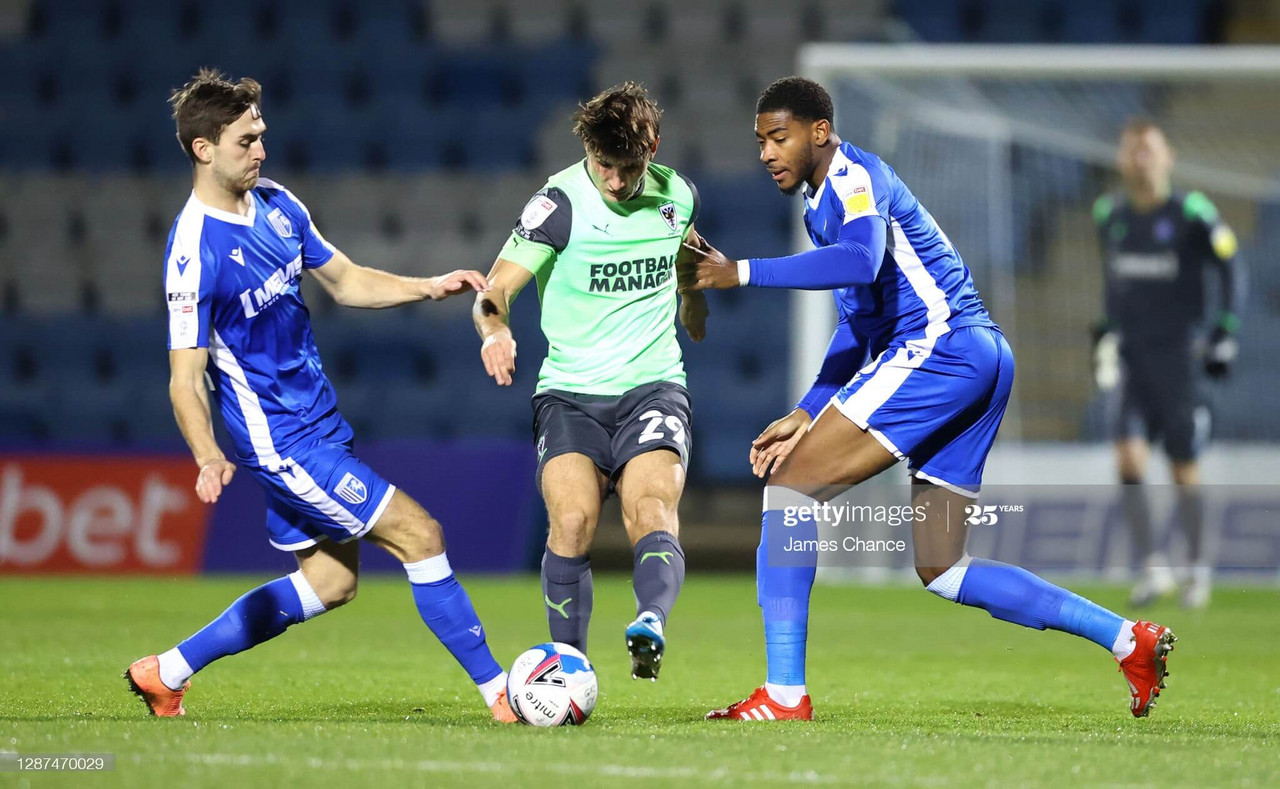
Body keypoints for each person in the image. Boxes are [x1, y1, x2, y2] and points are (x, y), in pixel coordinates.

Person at [685, 77, 1175, 721]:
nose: (767, 153)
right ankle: (1126, 639)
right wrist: (807, 411)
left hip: (940, 348)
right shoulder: (822, 205)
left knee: (789, 487)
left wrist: (741, 270)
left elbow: (860, 261)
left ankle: (782, 694)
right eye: (760, 142)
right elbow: (860, 322)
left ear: (820, 132)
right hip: (978, 356)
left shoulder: (854, 179)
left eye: (779, 137)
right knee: (942, 567)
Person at [124, 69, 516, 722]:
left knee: (331, 583)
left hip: (320, 423)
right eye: (247, 140)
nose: (261, 150)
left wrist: (429, 285)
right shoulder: (194, 253)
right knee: (421, 534)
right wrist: (205, 454)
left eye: (262, 135)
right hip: (281, 442)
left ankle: (165, 671)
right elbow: (184, 375)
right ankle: (503, 693)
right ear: (203, 148)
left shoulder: (279, 203)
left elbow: (347, 281)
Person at [472, 82, 706, 681]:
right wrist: (494, 332)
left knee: (650, 506)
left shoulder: (678, 194)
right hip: (571, 395)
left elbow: (688, 254)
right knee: (572, 521)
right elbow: (494, 291)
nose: (616, 182)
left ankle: (650, 621)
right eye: (604, 165)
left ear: (652, 146)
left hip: (654, 386)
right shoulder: (559, 203)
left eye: (628, 167)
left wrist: (693, 302)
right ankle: (570, 666)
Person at [1091, 119, 1242, 609]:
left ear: (1168, 157)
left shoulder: (1192, 213)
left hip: (1181, 357)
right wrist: (1106, 330)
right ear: (1121, 159)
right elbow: (1114, 282)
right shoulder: (1108, 213)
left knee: (1183, 468)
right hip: (1134, 358)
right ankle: (1155, 568)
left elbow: (1231, 266)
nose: (1140, 159)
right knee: (1128, 458)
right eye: (1132, 150)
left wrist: (1225, 332)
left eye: (1149, 150)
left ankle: (1197, 568)